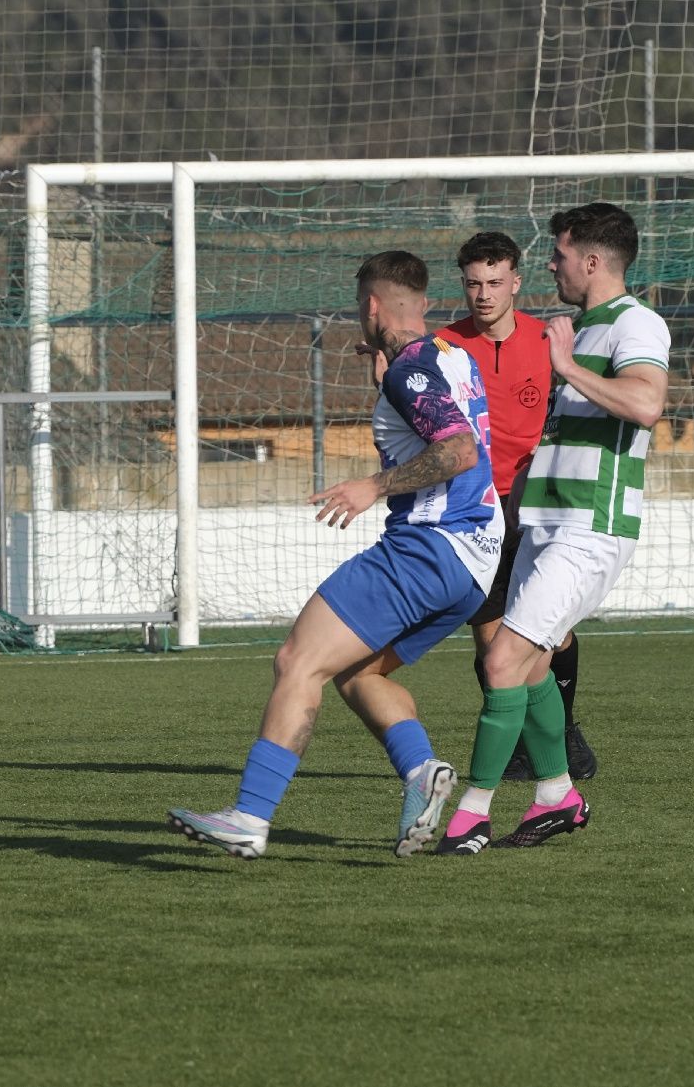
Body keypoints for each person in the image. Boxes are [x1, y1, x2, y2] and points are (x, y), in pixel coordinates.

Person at [167, 251, 502, 860]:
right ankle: (421, 770)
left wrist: (373, 485)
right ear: (421, 304)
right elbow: (449, 419)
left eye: (359, 307)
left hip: (428, 547)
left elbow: (457, 451)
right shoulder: (453, 357)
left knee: (299, 660)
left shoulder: (409, 373)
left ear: (372, 307)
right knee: (357, 672)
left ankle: (249, 817)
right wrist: (390, 380)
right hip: (475, 561)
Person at [441, 203, 670, 854]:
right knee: (532, 666)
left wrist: (570, 370)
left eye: (560, 253)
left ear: (591, 262)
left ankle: (471, 814)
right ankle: (557, 796)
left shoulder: (636, 322)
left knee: (502, 658)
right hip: (546, 521)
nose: (552, 264)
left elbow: (648, 403)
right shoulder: (576, 328)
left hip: (590, 526)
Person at [433, 231, 594, 798]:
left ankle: (564, 732)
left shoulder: (547, 339)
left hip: (536, 504)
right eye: (474, 283)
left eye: (495, 282)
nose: (483, 293)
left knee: (553, 632)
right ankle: (528, 744)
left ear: (516, 283)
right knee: (490, 640)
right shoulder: (443, 347)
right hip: (475, 509)